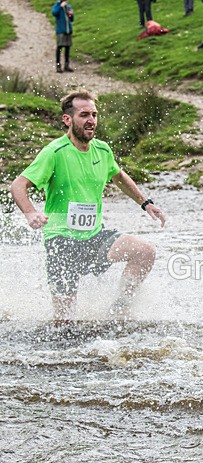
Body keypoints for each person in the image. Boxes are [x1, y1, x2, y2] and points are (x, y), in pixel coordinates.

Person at [9, 90, 167, 323]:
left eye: (94, 114)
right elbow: (18, 185)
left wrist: (145, 203)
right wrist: (31, 213)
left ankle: (119, 312)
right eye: (84, 115)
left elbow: (119, 176)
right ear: (68, 120)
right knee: (64, 323)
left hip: (93, 236)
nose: (91, 120)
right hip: (61, 241)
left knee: (144, 252)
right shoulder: (54, 152)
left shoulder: (102, 150)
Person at [52, 1, 74, 74]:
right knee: (59, 48)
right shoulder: (57, 5)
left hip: (68, 30)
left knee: (67, 48)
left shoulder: (68, 6)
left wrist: (70, 14)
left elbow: (71, 19)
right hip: (61, 30)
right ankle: (58, 66)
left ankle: (66, 65)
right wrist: (60, 7)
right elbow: (54, 13)